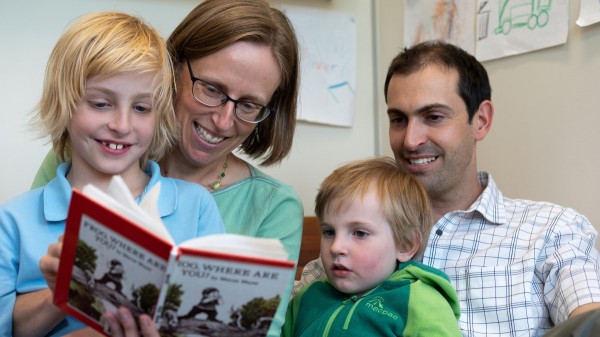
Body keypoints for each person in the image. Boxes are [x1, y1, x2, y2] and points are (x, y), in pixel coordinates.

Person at [30, 0, 303, 335]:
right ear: (172, 68)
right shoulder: (84, 157)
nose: (222, 120)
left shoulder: (274, 207)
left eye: (248, 105)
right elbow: (22, 288)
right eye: (211, 89)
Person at [294, 40, 600, 336]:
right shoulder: (346, 244)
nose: (411, 140)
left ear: (480, 120)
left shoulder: (551, 231)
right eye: (398, 119)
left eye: (434, 117)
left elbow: (590, 324)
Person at [0, 11, 225, 337]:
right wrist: (64, 290)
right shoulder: (13, 220)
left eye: (141, 108)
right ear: (63, 104)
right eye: (101, 103)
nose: (121, 125)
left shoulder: (196, 206)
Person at [282, 157, 461, 336]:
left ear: (405, 245)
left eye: (360, 233)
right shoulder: (306, 298)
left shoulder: (421, 302)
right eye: (329, 232)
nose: (336, 247)